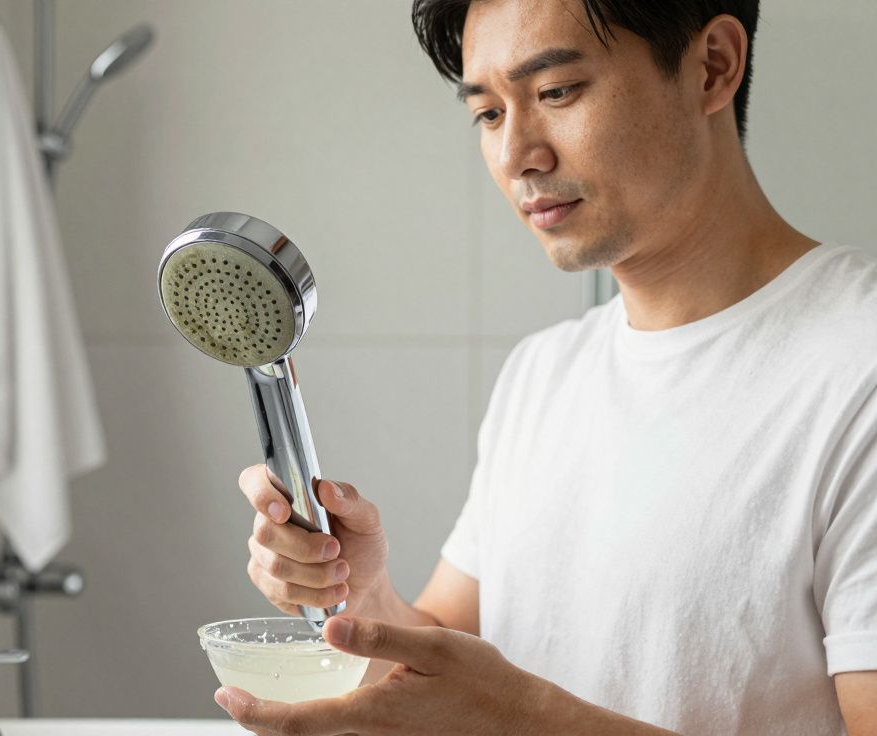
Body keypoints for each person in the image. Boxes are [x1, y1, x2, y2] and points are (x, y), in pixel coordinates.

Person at [214, 1, 877, 734]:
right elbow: (449, 659)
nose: (517, 155)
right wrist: (361, 601)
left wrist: (525, 718)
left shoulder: (857, 369)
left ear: (713, 65)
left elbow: (499, 707)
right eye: (489, 114)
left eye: (556, 92)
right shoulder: (545, 373)